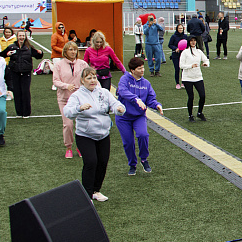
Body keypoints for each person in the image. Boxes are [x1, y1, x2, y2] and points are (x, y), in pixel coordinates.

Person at [63, 67, 126, 202]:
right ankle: (87, 194)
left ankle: (96, 190)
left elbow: (115, 103)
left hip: (103, 134)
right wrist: (79, 108)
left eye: (94, 78)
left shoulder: (103, 92)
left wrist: (119, 109)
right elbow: (67, 111)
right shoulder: (77, 96)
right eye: (89, 78)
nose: (92, 81)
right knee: (91, 162)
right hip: (85, 135)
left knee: (102, 162)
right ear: (82, 80)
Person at [116, 57, 163, 175]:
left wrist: (157, 105)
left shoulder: (146, 83)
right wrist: (136, 99)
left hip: (139, 116)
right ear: (132, 70)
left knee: (143, 135)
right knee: (128, 142)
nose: (142, 70)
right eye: (139, 68)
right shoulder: (124, 79)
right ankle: (132, 164)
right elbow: (122, 91)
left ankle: (144, 159)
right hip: (123, 117)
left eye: (143, 67)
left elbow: (151, 99)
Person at [54, 41, 89, 158]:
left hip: (80, 99)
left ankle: (80, 147)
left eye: (74, 50)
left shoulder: (83, 64)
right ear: (65, 51)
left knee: (81, 123)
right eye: (70, 50)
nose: (73, 52)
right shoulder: (59, 65)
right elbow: (55, 81)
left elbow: (89, 77)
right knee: (68, 124)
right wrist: (66, 86)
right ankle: (68, 147)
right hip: (64, 99)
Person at [2, 30, 43, 117]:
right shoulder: (12, 47)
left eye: (23, 36)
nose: (21, 37)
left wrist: (40, 52)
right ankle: (19, 113)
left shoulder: (29, 47)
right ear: (17, 36)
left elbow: (38, 56)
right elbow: (1, 55)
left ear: (25, 37)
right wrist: (7, 54)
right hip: (14, 72)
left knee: (25, 92)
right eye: (20, 35)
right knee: (17, 92)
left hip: (26, 73)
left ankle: (26, 113)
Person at [180, 36, 210, 121]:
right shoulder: (185, 52)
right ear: (189, 42)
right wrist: (190, 66)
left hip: (198, 77)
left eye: (194, 41)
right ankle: (190, 115)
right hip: (187, 78)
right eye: (191, 41)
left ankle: (200, 113)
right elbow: (181, 65)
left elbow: (206, 60)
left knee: (202, 95)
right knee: (191, 97)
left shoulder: (199, 51)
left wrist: (205, 64)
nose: (193, 42)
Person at [168, 23, 188, 89]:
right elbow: (170, 45)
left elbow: (187, 44)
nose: (180, 29)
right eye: (179, 28)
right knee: (177, 69)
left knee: (184, 69)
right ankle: (177, 83)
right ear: (177, 29)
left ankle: (183, 82)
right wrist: (175, 48)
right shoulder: (174, 36)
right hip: (175, 55)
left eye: (181, 28)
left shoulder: (185, 36)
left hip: (183, 55)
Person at [50, 21, 66, 90]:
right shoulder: (55, 35)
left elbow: (66, 42)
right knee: (57, 70)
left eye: (62, 27)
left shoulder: (65, 35)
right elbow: (53, 46)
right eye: (59, 27)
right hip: (56, 55)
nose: (61, 28)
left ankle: (62, 83)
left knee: (63, 70)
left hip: (63, 55)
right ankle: (55, 84)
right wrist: (62, 50)